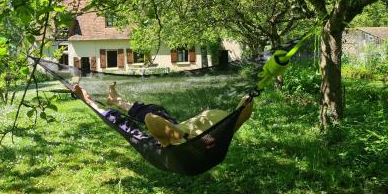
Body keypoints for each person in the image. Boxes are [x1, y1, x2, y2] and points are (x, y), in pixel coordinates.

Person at [72, 82, 254, 147]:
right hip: (177, 126)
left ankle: (91, 102)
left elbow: (151, 121)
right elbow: (243, 112)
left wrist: (185, 136)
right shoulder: (225, 130)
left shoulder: (183, 144)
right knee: (153, 108)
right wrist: (251, 95)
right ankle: (116, 99)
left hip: (165, 137)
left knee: (121, 122)